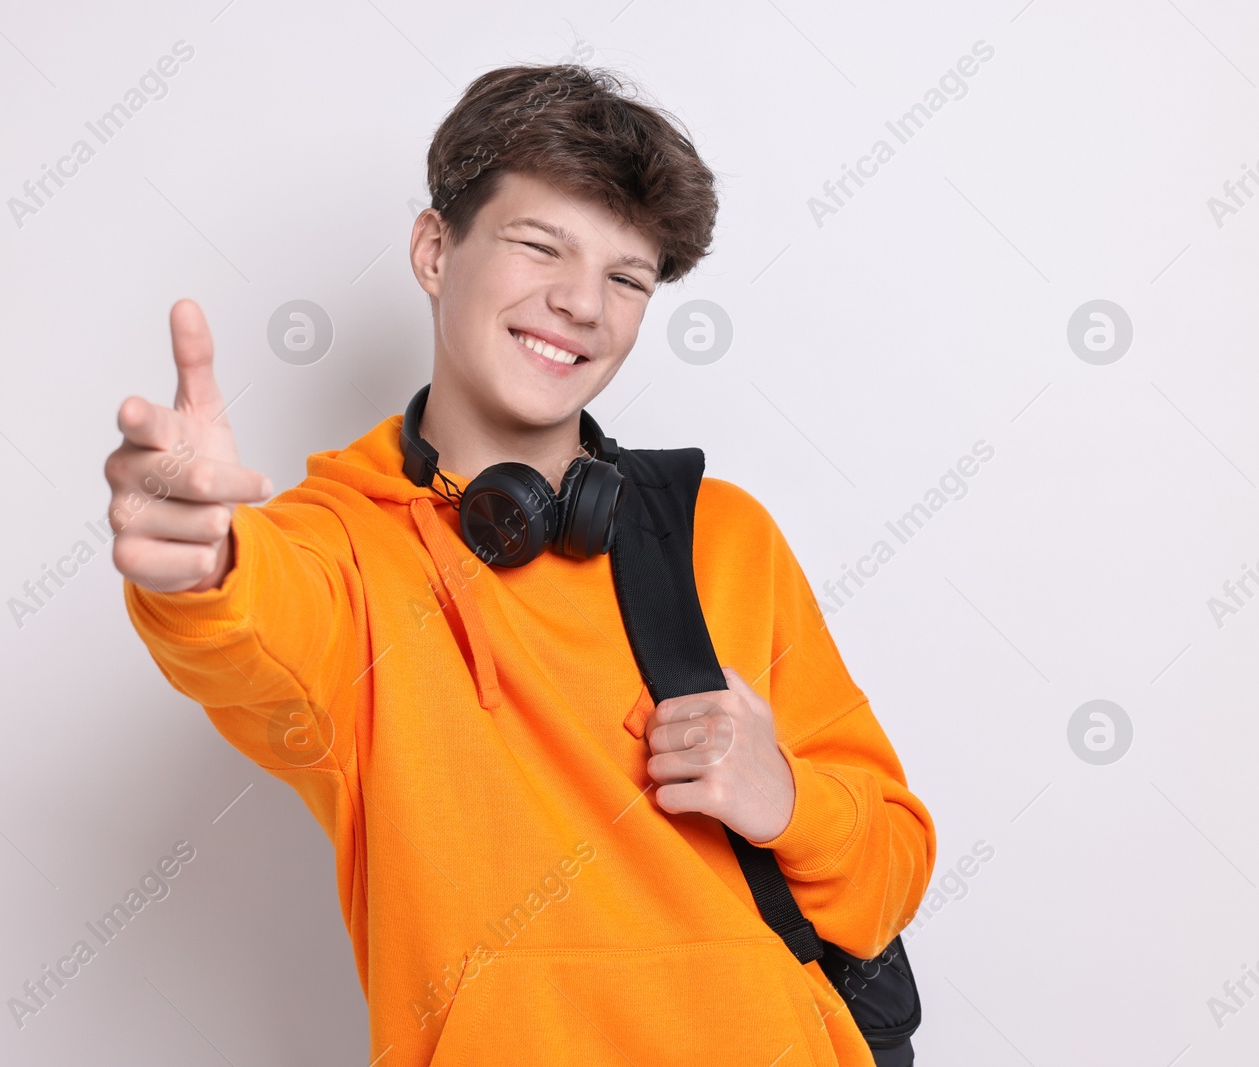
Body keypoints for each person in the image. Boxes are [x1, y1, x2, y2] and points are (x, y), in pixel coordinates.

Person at [105, 63, 935, 1067]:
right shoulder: (339, 548)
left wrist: (786, 797)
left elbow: (892, 866)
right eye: (540, 244)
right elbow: (253, 628)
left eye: (626, 278)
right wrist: (201, 565)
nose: (581, 303)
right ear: (432, 248)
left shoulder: (720, 535)